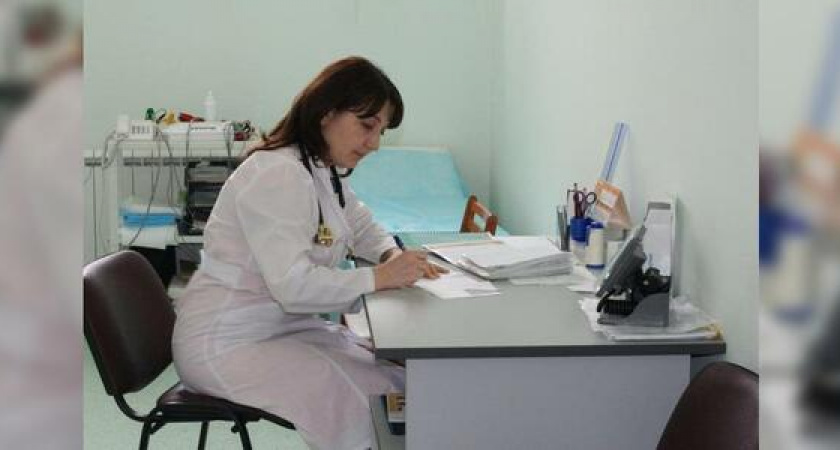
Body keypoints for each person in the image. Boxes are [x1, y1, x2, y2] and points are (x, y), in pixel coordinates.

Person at [172, 56, 446, 450]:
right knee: (371, 401)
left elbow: (359, 224)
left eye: (381, 131)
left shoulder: (319, 167)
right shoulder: (277, 173)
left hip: (280, 326)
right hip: (226, 342)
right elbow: (293, 287)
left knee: (393, 379)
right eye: (367, 125)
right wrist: (379, 277)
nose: (374, 144)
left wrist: (390, 255)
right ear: (326, 113)